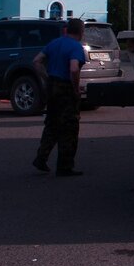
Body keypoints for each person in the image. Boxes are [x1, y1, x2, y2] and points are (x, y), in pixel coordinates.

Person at [32, 18, 86, 176]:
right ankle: (65, 166)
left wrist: (47, 77)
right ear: (81, 32)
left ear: (67, 30)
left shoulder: (54, 43)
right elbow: (74, 68)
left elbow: (37, 61)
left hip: (52, 87)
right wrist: (75, 88)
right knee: (69, 127)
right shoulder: (76, 47)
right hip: (66, 89)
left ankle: (41, 158)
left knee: (52, 124)